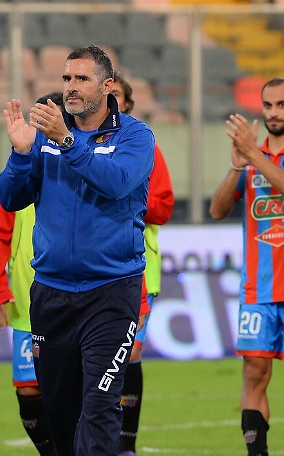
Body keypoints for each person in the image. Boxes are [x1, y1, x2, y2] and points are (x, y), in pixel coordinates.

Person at [0, 45, 155, 456]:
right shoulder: (45, 137)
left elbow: (116, 183)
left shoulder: (135, 136)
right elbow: (11, 198)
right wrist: (21, 154)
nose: (71, 86)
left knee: (100, 406)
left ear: (107, 86)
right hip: (51, 294)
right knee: (61, 413)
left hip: (111, 293)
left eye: (82, 79)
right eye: (67, 78)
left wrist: (67, 142)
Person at [209, 78, 284, 456]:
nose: (274, 112)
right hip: (257, 289)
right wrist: (235, 166)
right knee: (254, 373)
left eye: (282, 105)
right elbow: (217, 210)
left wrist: (254, 157)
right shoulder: (250, 156)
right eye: (268, 105)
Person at [0, 92, 62, 456]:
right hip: (30, 304)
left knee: (78, 389)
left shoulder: (86, 164)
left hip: (82, 300)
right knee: (29, 391)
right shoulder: (20, 171)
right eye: (38, 121)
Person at [110, 72, 175, 456]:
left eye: (116, 95)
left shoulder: (147, 146)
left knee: (128, 353)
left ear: (128, 104)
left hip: (138, 270)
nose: (110, 102)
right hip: (90, 270)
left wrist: (118, 192)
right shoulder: (77, 144)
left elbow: (163, 206)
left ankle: (126, 444)